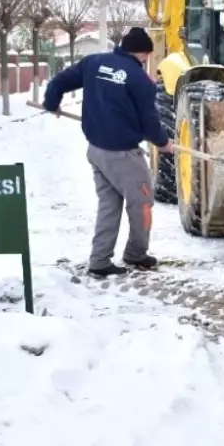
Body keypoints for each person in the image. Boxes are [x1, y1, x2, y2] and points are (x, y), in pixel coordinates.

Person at [43, 27, 174, 278]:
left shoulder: (94, 63)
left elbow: (58, 81)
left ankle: (100, 261)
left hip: (97, 151)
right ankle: (136, 254)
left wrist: (51, 103)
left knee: (109, 206)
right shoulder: (139, 79)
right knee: (143, 204)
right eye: (147, 55)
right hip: (123, 154)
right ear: (143, 53)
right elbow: (149, 121)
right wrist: (163, 142)